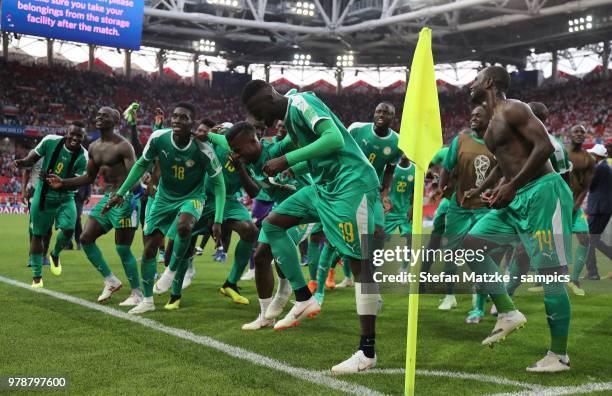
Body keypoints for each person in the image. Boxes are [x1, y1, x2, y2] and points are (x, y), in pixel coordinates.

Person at [242, 80, 381, 373]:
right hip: (324, 187)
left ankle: (367, 351)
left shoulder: (302, 102)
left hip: (350, 186)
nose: (259, 120)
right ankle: (304, 297)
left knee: (360, 266)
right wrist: (295, 167)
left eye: (258, 110)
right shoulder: (291, 119)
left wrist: (286, 159)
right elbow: (321, 154)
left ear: (269, 96)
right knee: (274, 223)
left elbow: (334, 141)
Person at [463, 66, 573, 372]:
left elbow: (544, 147)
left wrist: (511, 185)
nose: (470, 86)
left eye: (475, 80)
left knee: (551, 277)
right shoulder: (488, 129)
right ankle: (508, 312)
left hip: (543, 193)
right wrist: (489, 189)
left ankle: (559, 355)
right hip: (516, 200)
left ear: (487, 82)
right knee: (469, 245)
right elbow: (504, 164)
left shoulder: (514, 108)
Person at [104, 103, 225, 314]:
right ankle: (148, 300)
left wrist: (218, 220)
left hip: (192, 197)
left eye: (183, 117)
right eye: (175, 116)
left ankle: (171, 270)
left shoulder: (203, 149)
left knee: (185, 226)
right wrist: (120, 193)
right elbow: (141, 164)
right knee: (150, 247)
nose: (177, 120)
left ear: (192, 124)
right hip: (163, 198)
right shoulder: (159, 137)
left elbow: (219, 185)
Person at [153, 121, 258, 307]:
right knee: (174, 253)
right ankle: (175, 295)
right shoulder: (214, 144)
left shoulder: (249, 155)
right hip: (199, 198)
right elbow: (191, 139)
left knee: (250, 230)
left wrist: (241, 167)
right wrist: (207, 134)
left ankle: (230, 284)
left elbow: (254, 191)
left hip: (229, 202)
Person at [47, 107, 143, 306]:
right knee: (85, 238)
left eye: (105, 115)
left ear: (116, 120)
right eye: (98, 115)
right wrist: (63, 182)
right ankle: (110, 280)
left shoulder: (123, 146)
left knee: (122, 249)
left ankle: (137, 293)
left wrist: (121, 195)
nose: (99, 117)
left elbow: (136, 178)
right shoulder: (93, 146)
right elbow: (89, 177)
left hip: (126, 200)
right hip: (108, 198)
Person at [314, 102, 402, 301]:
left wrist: (385, 192)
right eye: (378, 110)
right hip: (345, 189)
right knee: (331, 241)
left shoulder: (397, 142)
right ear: (374, 112)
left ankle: (372, 287)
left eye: (386, 113)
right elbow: (338, 153)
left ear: (392, 117)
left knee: (378, 235)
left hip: (372, 193)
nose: (381, 114)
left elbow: (389, 169)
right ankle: (318, 291)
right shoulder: (356, 129)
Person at [11, 122, 88, 287]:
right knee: (37, 234)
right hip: (43, 195)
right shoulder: (50, 141)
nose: (75, 138)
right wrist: (21, 162)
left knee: (69, 229)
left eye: (79, 136)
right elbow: (31, 159)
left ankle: (55, 254)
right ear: (67, 132)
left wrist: (62, 183)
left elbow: (77, 182)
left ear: (83, 137)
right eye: (73, 134)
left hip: (66, 197)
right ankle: (37, 277)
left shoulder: (84, 156)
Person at [440, 107, 498, 324]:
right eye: (471, 114)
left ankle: (478, 308)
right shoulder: (461, 140)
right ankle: (449, 295)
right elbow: (447, 167)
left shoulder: (497, 144)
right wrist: (442, 187)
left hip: (484, 208)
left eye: (478, 115)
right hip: (458, 207)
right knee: (450, 253)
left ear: (489, 119)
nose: (473, 117)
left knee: (481, 255)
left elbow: (504, 171)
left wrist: (496, 189)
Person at [563, 124, 595, 293]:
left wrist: (574, 208)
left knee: (584, 238)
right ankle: (544, 278)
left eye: (583, 131)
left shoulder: (589, 159)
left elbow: (585, 188)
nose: (580, 134)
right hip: (557, 205)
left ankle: (574, 279)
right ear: (569, 134)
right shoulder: (560, 153)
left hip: (575, 207)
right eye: (576, 131)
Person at [584, 144, 612, 279]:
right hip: (602, 208)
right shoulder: (605, 167)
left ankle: (592, 273)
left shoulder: (600, 168)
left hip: (599, 209)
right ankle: (592, 271)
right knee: (593, 240)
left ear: (596, 156)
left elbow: (588, 185)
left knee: (589, 240)